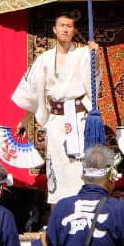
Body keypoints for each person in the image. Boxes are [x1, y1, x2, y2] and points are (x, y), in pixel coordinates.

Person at [11, 11, 100, 204]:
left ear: (74, 30)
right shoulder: (44, 59)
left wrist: (95, 56)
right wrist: (24, 119)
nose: (65, 29)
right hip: (56, 119)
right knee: (58, 165)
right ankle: (57, 210)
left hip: (78, 117)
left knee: (78, 163)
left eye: (69, 26)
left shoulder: (83, 54)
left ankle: (82, 205)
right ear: (55, 29)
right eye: (62, 25)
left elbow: (94, 79)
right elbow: (34, 92)